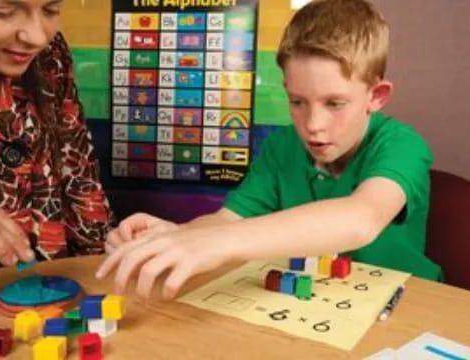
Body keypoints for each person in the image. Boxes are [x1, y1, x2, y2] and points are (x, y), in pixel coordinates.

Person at [96, 0, 441, 299]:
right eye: (297, 102)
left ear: (376, 96)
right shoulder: (280, 146)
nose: (313, 124)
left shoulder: (402, 145)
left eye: (335, 103)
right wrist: (176, 235)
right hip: (318, 303)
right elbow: (227, 220)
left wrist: (220, 242)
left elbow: (360, 219)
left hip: (405, 304)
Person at [0, 0, 113, 267]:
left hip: (48, 282)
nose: (37, 37)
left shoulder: (50, 54)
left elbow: (78, 172)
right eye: (2, 12)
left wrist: (101, 262)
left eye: (51, 10)